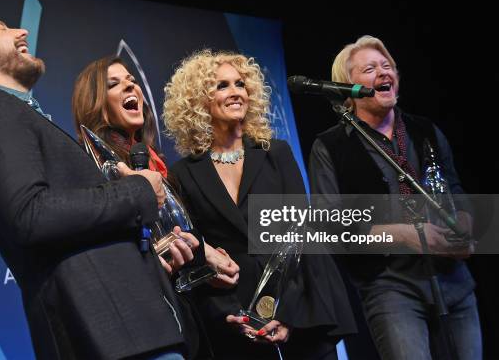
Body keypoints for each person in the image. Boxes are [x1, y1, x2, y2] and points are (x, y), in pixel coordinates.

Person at [0, 8, 195, 360]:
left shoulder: (8, 111)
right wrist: (140, 191)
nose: (22, 31)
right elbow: (30, 214)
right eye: (1, 28)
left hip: (129, 333)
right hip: (112, 335)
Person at [163, 50, 356, 359]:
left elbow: (301, 237)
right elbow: (198, 256)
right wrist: (228, 314)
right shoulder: (183, 173)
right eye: (222, 85)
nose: (236, 92)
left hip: (299, 314)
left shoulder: (275, 153)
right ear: (198, 101)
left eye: (240, 84)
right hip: (236, 325)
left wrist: (287, 312)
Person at [308, 35, 482, 359]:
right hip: (390, 288)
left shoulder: (425, 130)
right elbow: (332, 226)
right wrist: (407, 237)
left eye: (388, 66)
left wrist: (465, 222)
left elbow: (455, 187)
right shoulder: (329, 147)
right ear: (349, 87)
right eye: (370, 68)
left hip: (454, 281)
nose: (383, 73)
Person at [71, 55, 242, 358]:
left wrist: (204, 256)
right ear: (96, 101)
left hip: (193, 313)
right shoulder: (91, 166)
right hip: (148, 324)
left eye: (132, 81)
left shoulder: (158, 163)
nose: (130, 87)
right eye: (115, 84)